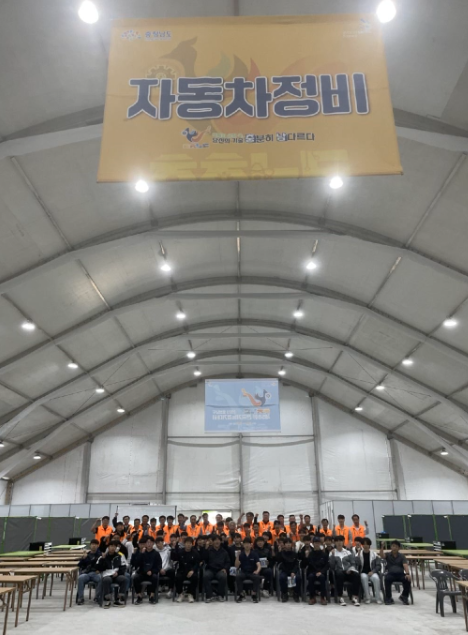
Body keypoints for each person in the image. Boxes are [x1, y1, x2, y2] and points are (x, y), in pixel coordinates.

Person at [329, 535, 361, 606]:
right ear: (335, 543)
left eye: (340, 541)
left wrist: (350, 569)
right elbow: (332, 566)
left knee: (356, 575)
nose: (339, 543)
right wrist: (333, 556)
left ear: (343, 542)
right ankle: (340, 597)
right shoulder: (332, 552)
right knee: (340, 575)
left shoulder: (347, 552)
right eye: (337, 541)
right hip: (339, 572)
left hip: (348, 571)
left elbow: (353, 563)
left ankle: (354, 597)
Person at [96, 539, 127, 608]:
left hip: (116, 575)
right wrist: (103, 559)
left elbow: (123, 567)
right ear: (108, 547)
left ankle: (118, 599)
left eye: (114, 546)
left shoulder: (119, 556)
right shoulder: (102, 557)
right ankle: (108, 600)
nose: (112, 548)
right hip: (107, 575)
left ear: (116, 548)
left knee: (124, 579)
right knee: (106, 580)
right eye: (111, 546)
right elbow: (99, 568)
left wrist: (118, 573)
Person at [379, 540, 411, 605]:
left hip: (400, 574)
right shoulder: (388, 555)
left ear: (399, 548)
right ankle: (388, 598)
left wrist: (407, 573)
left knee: (407, 579)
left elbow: (405, 565)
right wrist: (382, 546)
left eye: (396, 546)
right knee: (387, 579)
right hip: (391, 574)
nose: (394, 548)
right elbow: (382, 556)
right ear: (391, 547)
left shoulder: (402, 556)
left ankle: (404, 596)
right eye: (393, 546)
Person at [133, 537, 162, 605]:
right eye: (147, 542)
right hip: (142, 573)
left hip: (151, 573)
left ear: (153, 544)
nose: (149, 544)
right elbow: (137, 564)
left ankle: (151, 596)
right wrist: (141, 554)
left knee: (155, 577)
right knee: (135, 578)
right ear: (145, 544)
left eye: (151, 542)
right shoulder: (142, 553)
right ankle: (139, 596)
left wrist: (152, 571)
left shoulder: (156, 553)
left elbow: (159, 566)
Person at [172, 536, 200, 603]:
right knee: (177, 577)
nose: (188, 545)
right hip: (182, 570)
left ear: (192, 544)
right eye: (187, 543)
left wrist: (192, 570)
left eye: (190, 543)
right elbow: (174, 558)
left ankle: (190, 594)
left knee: (195, 577)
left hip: (191, 571)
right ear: (184, 544)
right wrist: (174, 548)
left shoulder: (195, 553)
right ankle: (180, 593)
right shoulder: (180, 552)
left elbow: (197, 564)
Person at [203, 534, 230, 603]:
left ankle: (220, 595)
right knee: (206, 576)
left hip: (220, 570)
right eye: (215, 540)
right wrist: (205, 549)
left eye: (218, 540)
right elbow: (204, 560)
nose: (217, 542)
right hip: (210, 570)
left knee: (223, 576)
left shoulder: (224, 552)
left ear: (220, 541)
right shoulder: (209, 550)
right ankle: (209, 596)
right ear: (212, 542)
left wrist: (225, 568)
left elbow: (228, 562)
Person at [357, 538, 382, 604]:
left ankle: (378, 598)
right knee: (364, 578)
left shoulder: (374, 554)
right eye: (364, 544)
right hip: (363, 572)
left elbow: (378, 566)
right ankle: (367, 598)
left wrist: (373, 571)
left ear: (369, 545)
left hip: (372, 572)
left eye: (367, 544)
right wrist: (358, 555)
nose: (365, 546)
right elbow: (357, 565)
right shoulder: (359, 554)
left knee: (376, 578)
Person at [235, 538, 261, 603]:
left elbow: (259, 565)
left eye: (248, 544)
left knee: (257, 577)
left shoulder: (254, 554)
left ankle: (254, 594)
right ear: (243, 545)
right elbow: (236, 566)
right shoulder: (241, 554)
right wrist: (237, 556)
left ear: (251, 545)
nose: (247, 545)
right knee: (238, 577)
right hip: (243, 572)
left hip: (252, 572)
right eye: (245, 544)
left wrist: (257, 571)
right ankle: (241, 594)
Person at [77, 539, 102, 605]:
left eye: (95, 544)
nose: (94, 546)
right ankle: (80, 597)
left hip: (95, 573)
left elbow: (102, 565)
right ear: (90, 545)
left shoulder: (100, 555)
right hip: (86, 573)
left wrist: (99, 570)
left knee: (100, 579)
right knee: (80, 578)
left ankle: (97, 597)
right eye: (92, 544)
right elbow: (79, 565)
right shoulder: (86, 555)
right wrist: (83, 559)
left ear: (98, 546)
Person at [276, 538, 301, 602]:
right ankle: (284, 593)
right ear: (284, 545)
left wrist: (293, 572)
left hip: (293, 571)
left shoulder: (294, 554)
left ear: (291, 544)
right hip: (285, 570)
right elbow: (279, 563)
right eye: (286, 543)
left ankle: (296, 593)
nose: (288, 544)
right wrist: (279, 552)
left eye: (289, 543)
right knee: (282, 577)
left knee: (298, 578)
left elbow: (296, 564)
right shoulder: (281, 553)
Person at [306, 537, 329, 605]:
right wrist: (306, 557)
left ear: (320, 544)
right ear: (313, 544)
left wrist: (321, 572)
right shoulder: (310, 554)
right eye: (315, 543)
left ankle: (323, 597)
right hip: (312, 572)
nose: (317, 544)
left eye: (318, 543)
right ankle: (312, 597)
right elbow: (307, 565)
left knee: (322, 577)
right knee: (310, 577)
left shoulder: (324, 554)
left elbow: (327, 565)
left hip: (321, 572)